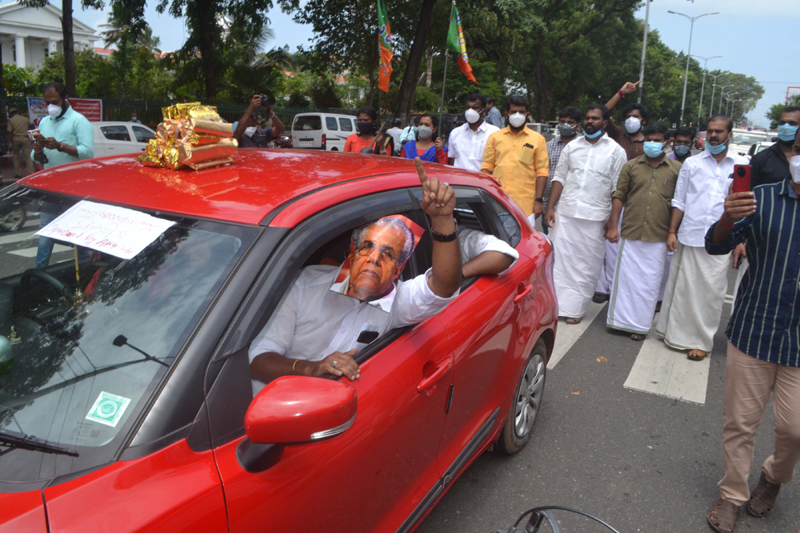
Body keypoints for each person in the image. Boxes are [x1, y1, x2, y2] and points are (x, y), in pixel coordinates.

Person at [248, 158, 461, 391]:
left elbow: (443, 287)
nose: (374, 258)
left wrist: (442, 220)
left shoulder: (398, 301)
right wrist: (312, 368)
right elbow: (259, 360)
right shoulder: (305, 284)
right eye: (367, 247)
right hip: (276, 410)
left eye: (388, 253)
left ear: (398, 268)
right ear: (352, 252)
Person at [703, 127, 800, 533]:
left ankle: (774, 478)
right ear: (791, 155)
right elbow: (716, 244)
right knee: (740, 422)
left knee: (794, 429)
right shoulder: (761, 199)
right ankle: (732, 494)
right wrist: (728, 216)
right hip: (755, 327)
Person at [656, 114, 749, 361]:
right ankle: (674, 334)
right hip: (690, 234)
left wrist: (741, 240)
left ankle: (701, 341)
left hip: (721, 240)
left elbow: (744, 208)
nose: (714, 136)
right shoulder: (693, 164)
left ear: (730, 135)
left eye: (719, 132)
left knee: (712, 293)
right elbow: (679, 200)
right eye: (710, 131)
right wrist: (672, 231)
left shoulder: (741, 165)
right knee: (683, 289)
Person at [544, 104, 627, 324]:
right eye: (588, 118)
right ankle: (555, 306)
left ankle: (575, 309)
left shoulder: (616, 151)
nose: (590, 121)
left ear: (605, 122)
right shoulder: (572, 147)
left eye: (595, 118)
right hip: (566, 213)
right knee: (559, 261)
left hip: (595, 217)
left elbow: (618, 190)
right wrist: (550, 207)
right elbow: (559, 177)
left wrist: (613, 222)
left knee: (586, 264)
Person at [604, 124, 682, 340]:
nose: (651, 144)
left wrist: (673, 232)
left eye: (657, 140)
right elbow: (619, 195)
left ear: (667, 143)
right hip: (631, 231)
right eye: (649, 139)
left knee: (649, 284)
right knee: (626, 280)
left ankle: (638, 326)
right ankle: (620, 322)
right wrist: (612, 226)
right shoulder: (631, 166)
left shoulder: (676, 169)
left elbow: (679, 202)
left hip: (658, 235)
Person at [31, 82, 95, 269]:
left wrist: (60, 146)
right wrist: (37, 152)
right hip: (50, 187)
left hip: (74, 188)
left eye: (55, 102)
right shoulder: (44, 122)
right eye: (47, 102)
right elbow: (35, 156)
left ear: (65, 99)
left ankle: (85, 272)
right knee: (46, 235)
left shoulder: (78, 120)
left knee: (78, 237)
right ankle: (38, 273)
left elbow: (88, 152)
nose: (50, 106)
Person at [481, 96, 549, 220]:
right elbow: (486, 168)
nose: (517, 115)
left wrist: (538, 200)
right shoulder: (495, 137)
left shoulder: (538, 139)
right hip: (497, 201)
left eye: (521, 112)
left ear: (527, 114)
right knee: (498, 239)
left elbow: (542, 172)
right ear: (507, 114)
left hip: (525, 205)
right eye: (513, 112)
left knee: (525, 239)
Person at [542, 106, 582, 234]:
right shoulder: (548, 146)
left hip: (574, 207)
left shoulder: (583, 146)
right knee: (549, 242)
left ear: (578, 125)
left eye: (570, 122)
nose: (566, 125)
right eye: (562, 121)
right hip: (549, 205)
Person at [448, 93, 499, 172]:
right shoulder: (455, 133)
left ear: (484, 111)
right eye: (468, 108)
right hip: (459, 182)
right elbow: (451, 161)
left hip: (483, 182)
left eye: (475, 108)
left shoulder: (494, 133)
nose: (470, 111)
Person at [6, 107, 34, 179]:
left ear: (11, 114)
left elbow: (9, 132)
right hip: (25, 138)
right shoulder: (26, 119)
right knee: (28, 156)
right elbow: (30, 129)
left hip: (16, 138)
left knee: (16, 156)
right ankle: (31, 172)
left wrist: (9, 143)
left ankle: (18, 174)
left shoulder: (11, 120)